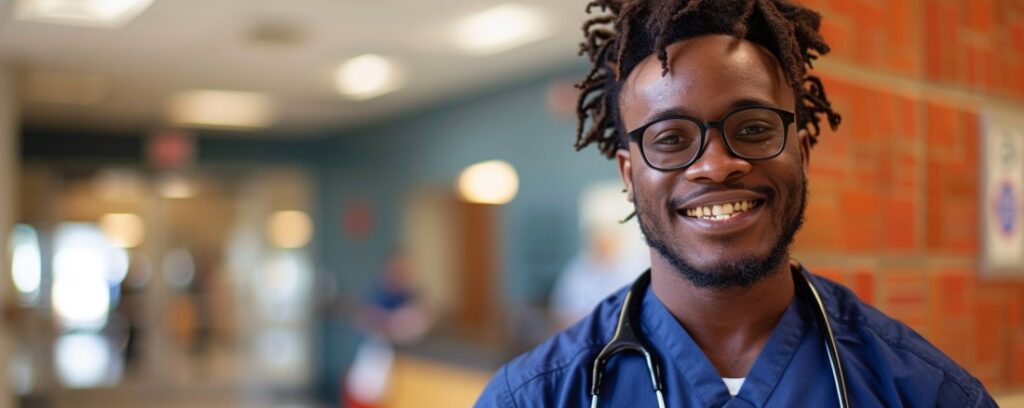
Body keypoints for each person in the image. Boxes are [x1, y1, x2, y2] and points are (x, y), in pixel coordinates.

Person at [476, 0, 997, 406]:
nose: (715, 164)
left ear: (803, 151)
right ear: (629, 175)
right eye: (671, 138)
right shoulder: (532, 397)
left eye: (752, 129)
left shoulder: (926, 392)